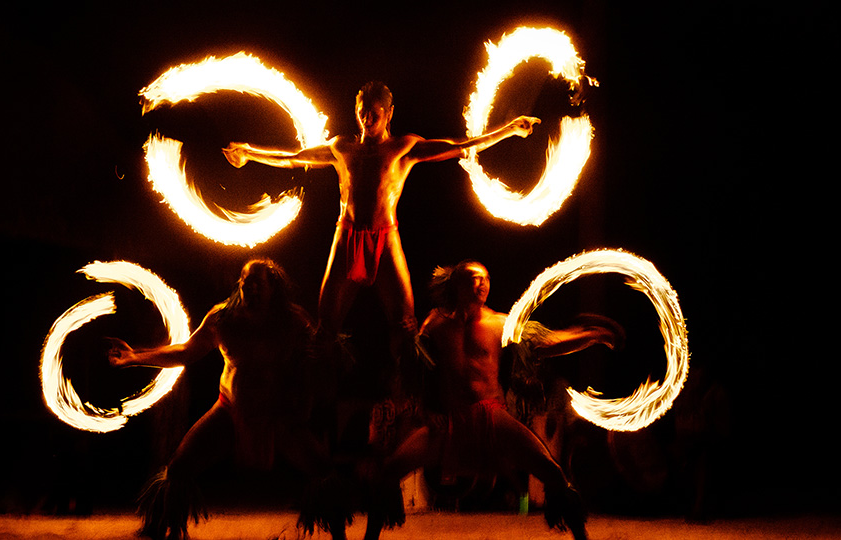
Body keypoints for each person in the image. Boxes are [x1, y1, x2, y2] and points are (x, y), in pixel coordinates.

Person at [223, 82, 541, 364]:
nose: (367, 119)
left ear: (389, 113)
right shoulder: (342, 147)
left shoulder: (403, 147)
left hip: (385, 238)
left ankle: (407, 398)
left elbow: (460, 145)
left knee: (405, 325)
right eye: (363, 112)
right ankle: (320, 402)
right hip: (345, 236)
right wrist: (250, 152)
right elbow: (295, 157)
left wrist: (509, 129)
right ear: (356, 111)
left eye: (375, 113)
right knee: (326, 326)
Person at [362, 261, 625, 540]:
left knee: (552, 472)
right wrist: (427, 408)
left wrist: (594, 335)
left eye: (486, 278)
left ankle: (581, 537)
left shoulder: (500, 323)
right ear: (457, 284)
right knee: (389, 471)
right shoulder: (435, 323)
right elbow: (416, 369)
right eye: (475, 278)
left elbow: (549, 344)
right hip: (449, 419)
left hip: (493, 415)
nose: (482, 284)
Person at [108, 259, 352, 540]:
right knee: (179, 467)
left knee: (322, 469)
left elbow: (324, 355)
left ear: (274, 287)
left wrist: (324, 357)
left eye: (258, 282)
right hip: (230, 409)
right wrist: (136, 357)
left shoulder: (294, 321)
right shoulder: (223, 319)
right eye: (246, 282)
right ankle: (166, 528)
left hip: (279, 415)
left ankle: (338, 535)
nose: (251, 288)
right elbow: (186, 352)